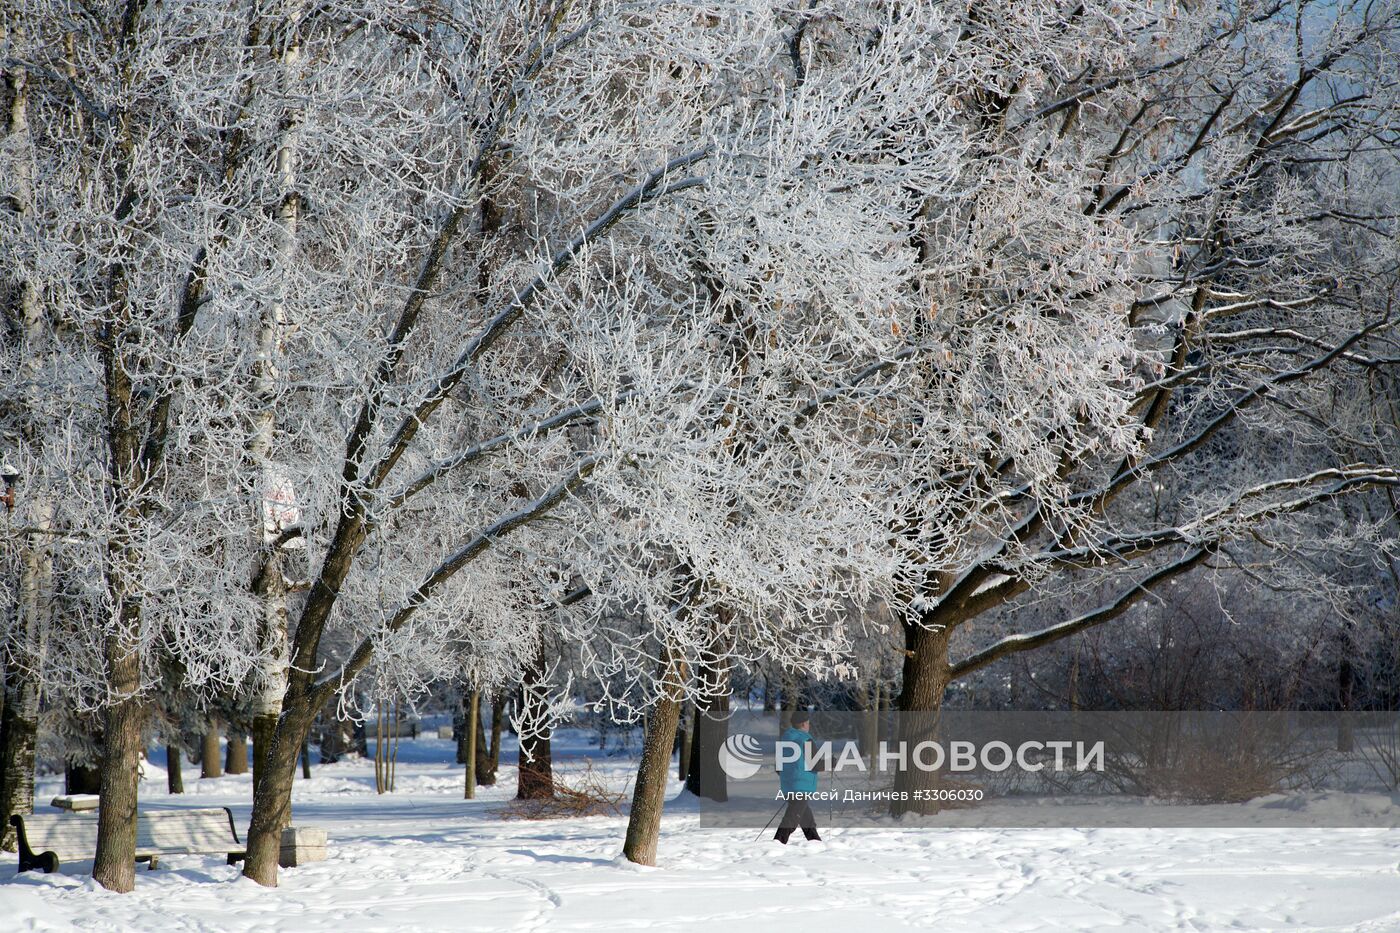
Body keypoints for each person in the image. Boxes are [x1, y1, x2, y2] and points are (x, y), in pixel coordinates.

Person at [775, 711, 822, 844]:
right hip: (802, 786)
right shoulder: (805, 740)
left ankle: (815, 842)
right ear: (803, 724)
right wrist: (832, 763)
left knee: (805, 818)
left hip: (788, 785)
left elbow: (778, 767)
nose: (809, 726)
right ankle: (778, 842)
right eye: (808, 723)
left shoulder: (785, 739)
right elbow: (816, 764)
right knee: (792, 819)